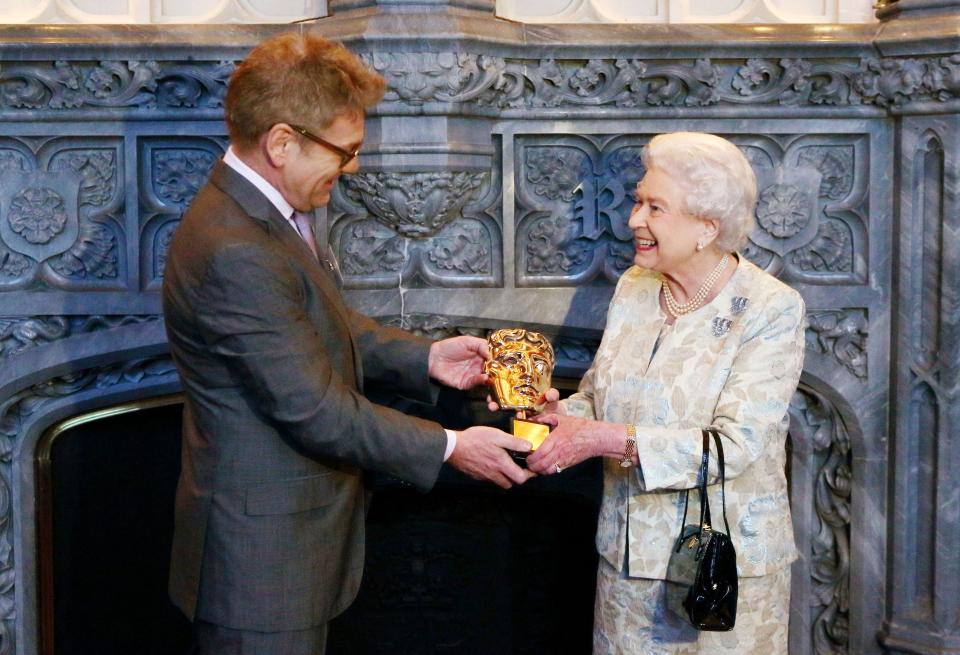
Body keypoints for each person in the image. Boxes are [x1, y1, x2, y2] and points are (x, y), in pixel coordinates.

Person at [162, 32, 534, 654]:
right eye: (345, 149)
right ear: (282, 142)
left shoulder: (261, 217)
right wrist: (450, 447)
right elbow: (317, 413)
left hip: (280, 551)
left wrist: (428, 358)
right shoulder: (236, 250)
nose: (353, 166)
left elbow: (320, 324)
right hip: (260, 570)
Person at [524, 132, 806, 653]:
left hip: (720, 573)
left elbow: (736, 446)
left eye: (655, 207)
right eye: (638, 202)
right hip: (626, 568)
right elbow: (597, 397)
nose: (633, 220)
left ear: (706, 227)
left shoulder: (771, 309)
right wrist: (554, 415)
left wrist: (599, 438)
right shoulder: (634, 286)